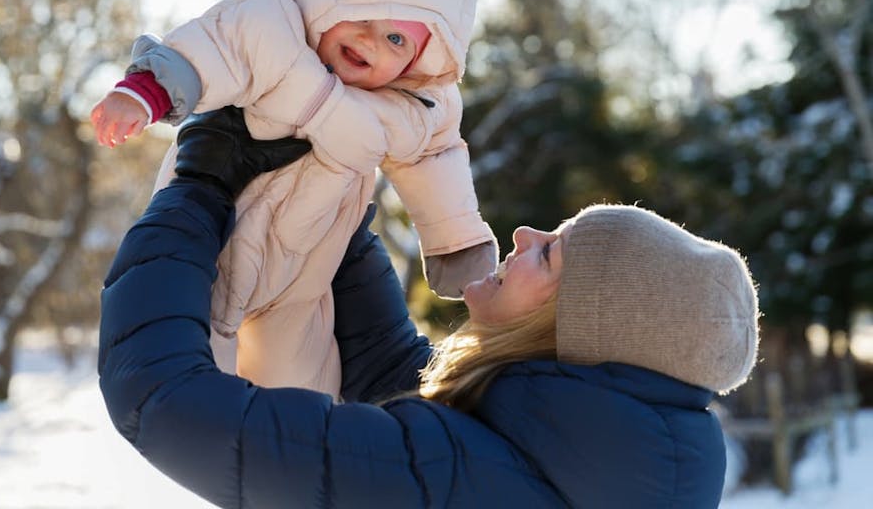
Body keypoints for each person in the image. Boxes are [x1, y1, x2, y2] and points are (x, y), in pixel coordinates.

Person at [99, 107, 760, 509]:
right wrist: (334, 205)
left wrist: (198, 188)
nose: (524, 236)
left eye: (552, 255)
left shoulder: (466, 483)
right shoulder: (583, 461)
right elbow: (390, 372)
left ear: (576, 332)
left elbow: (163, 403)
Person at [90, 0, 497, 396]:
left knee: (304, 391)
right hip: (216, 238)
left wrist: (456, 243)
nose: (370, 40)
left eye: (396, 40)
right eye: (362, 14)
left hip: (305, 273)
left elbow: (436, 164)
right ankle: (205, 434)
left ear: (419, 61)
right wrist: (143, 94)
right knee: (200, 373)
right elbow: (205, 52)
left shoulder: (414, 108)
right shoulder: (270, 26)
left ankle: (294, 459)